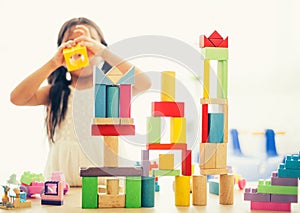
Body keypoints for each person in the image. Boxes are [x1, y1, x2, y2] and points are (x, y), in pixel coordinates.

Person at [10, 17, 151, 186]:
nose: (82, 48)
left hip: (106, 179)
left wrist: (103, 52)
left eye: (89, 41)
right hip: (64, 178)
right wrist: (53, 63)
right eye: (71, 42)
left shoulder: (111, 88)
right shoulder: (57, 92)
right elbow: (17, 98)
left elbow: (145, 83)